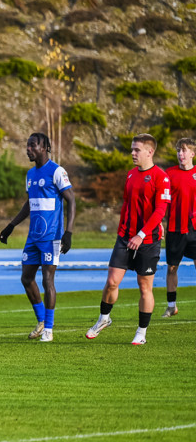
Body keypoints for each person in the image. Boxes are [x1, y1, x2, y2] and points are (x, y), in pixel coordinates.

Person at [86, 133, 171, 345]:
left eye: (137, 150)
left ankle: (141, 333)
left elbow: (161, 210)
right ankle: (104, 318)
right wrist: (123, 230)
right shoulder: (131, 175)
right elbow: (126, 203)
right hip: (125, 238)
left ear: (150, 152)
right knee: (112, 281)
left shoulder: (162, 177)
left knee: (144, 287)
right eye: (132, 149)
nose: (132, 153)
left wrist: (142, 235)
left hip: (148, 240)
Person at [0, 133, 76, 342]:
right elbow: (29, 204)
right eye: (27, 145)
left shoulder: (57, 171)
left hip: (51, 237)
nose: (28, 149)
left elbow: (71, 200)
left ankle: (49, 330)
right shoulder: (30, 174)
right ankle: (42, 320)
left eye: (32, 145)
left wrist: (68, 233)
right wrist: (11, 225)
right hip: (33, 237)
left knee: (47, 279)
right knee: (26, 278)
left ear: (45, 147)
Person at [162, 137, 196, 317]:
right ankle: (171, 306)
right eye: (178, 150)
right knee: (172, 267)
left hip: (195, 229)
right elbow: (162, 201)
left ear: (192, 154)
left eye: (184, 150)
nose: (180, 154)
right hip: (175, 228)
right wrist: (159, 222)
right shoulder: (169, 174)